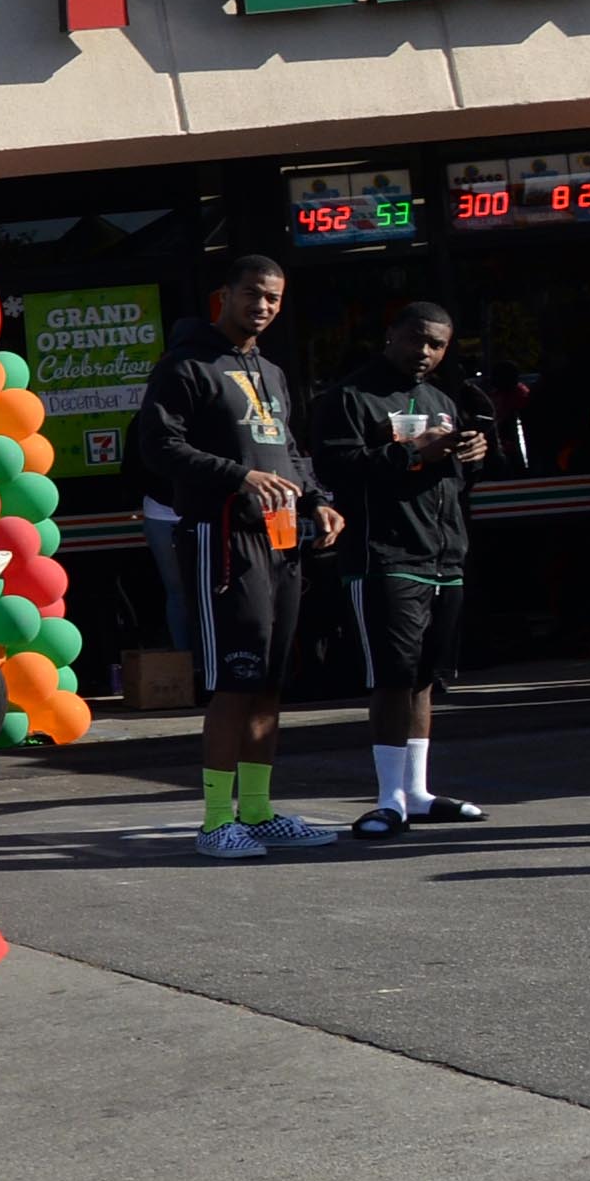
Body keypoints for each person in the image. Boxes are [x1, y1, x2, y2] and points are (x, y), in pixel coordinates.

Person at [129, 256, 348, 859]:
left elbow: (293, 453)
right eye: (253, 294)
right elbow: (158, 445)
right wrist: (238, 476)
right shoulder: (186, 365)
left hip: (281, 538)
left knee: (271, 683)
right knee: (234, 679)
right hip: (220, 538)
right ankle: (214, 821)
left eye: (274, 298)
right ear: (222, 296)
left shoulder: (272, 372)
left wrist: (320, 502)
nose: (264, 306)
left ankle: (257, 811)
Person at [314, 300, 492, 838]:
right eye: (416, 338)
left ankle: (417, 791)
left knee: (424, 679)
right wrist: (414, 454)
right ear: (390, 334)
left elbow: (453, 484)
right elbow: (337, 472)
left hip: (443, 554)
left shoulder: (441, 399)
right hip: (385, 555)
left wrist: (472, 456)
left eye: (437, 344)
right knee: (392, 677)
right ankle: (388, 797)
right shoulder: (350, 397)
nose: (425, 352)